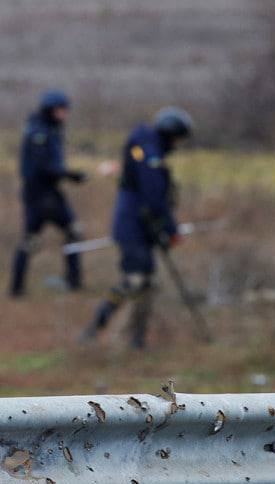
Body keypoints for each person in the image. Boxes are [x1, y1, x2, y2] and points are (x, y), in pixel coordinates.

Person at [80, 107, 194, 348]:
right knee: (135, 280)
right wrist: (170, 229)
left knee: (147, 283)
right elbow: (154, 197)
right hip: (131, 228)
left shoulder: (148, 147)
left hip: (143, 229)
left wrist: (165, 229)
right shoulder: (148, 152)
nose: (177, 144)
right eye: (177, 138)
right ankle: (96, 326)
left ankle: (136, 339)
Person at [10, 89, 87, 297]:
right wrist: (71, 175)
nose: (65, 115)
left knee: (32, 239)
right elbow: (44, 168)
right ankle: (73, 281)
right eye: (61, 110)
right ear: (50, 110)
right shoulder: (39, 134)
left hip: (43, 193)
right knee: (71, 231)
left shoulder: (47, 129)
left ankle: (17, 289)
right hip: (42, 195)